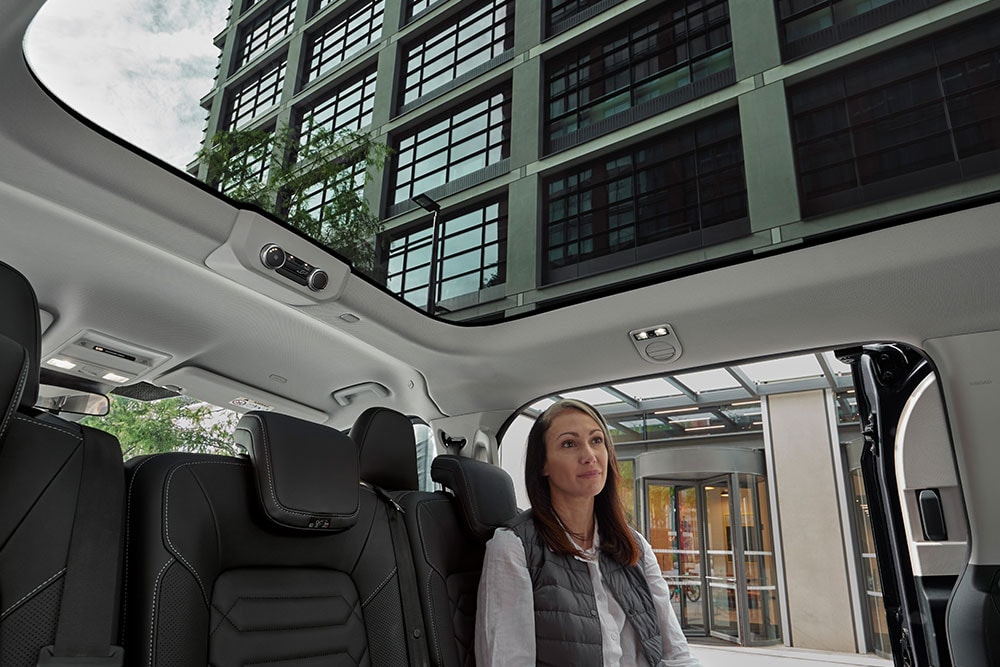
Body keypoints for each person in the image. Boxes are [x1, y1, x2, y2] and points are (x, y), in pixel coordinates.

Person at [475, 399, 701, 666]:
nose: (589, 455)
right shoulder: (514, 547)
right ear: (543, 465)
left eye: (596, 440)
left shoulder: (634, 545)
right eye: (569, 444)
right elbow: (508, 660)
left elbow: (676, 653)